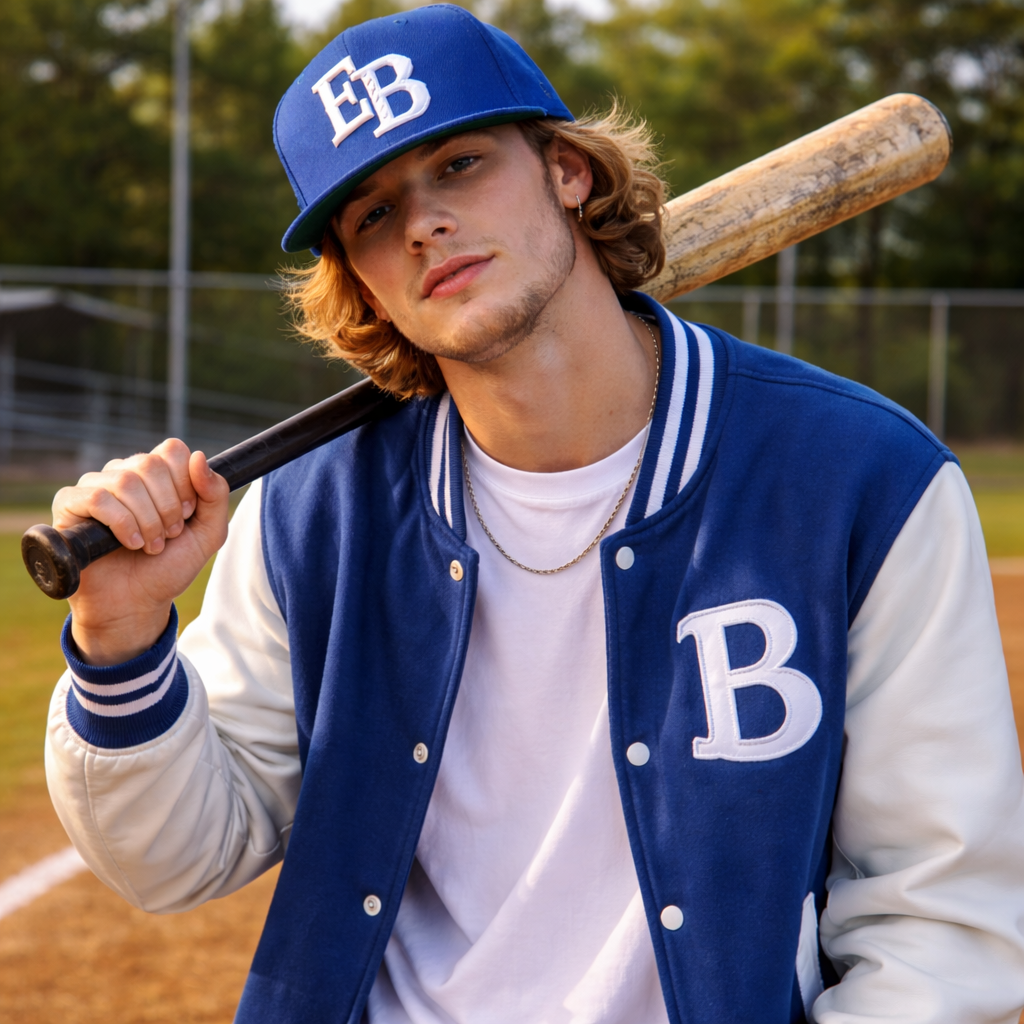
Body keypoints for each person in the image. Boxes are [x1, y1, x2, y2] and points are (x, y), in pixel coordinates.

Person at [43, 6, 1024, 1023]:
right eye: (371, 214)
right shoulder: (311, 515)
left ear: (568, 172)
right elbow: (176, 859)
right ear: (365, 287)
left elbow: (939, 918)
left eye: (459, 165)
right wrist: (117, 639)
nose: (421, 221)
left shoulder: (858, 476)